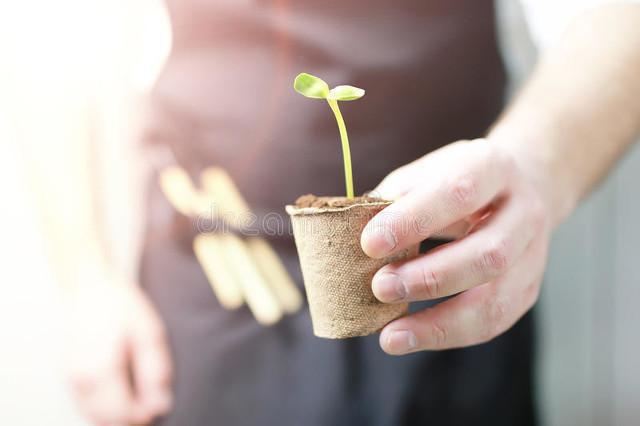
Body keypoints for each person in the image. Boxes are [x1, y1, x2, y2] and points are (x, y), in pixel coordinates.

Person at [47, 1, 640, 425]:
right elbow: (58, 30)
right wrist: (87, 279)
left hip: (442, 276)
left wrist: (533, 163)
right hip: (209, 274)